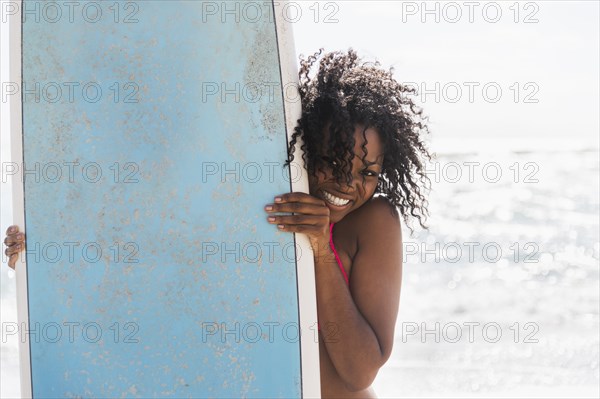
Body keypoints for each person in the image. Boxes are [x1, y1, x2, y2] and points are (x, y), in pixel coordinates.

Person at [4, 49, 431, 398]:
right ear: (304, 149)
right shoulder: (258, 202)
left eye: (367, 172)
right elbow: (149, 247)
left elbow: (359, 372)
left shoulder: (372, 221)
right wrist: (46, 251)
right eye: (334, 162)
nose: (348, 184)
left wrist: (320, 248)